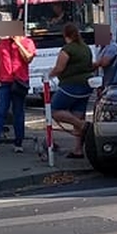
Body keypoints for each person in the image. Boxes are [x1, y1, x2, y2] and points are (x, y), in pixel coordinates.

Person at [48, 22, 95, 158]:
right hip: (86, 85)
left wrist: (49, 74)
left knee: (54, 110)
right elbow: (90, 65)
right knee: (77, 114)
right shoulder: (86, 48)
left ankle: (84, 126)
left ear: (65, 35)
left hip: (70, 85)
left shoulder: (67, 49)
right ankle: (78, 149)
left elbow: (60, 68)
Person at [0, 27, 36, 154]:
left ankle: (18, 143)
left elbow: (28, 59)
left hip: (20, 82)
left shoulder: (28, 43)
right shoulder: (2, 44)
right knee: (0, 112)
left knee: (18, 113)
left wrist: (19, 44)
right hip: (4, 82)